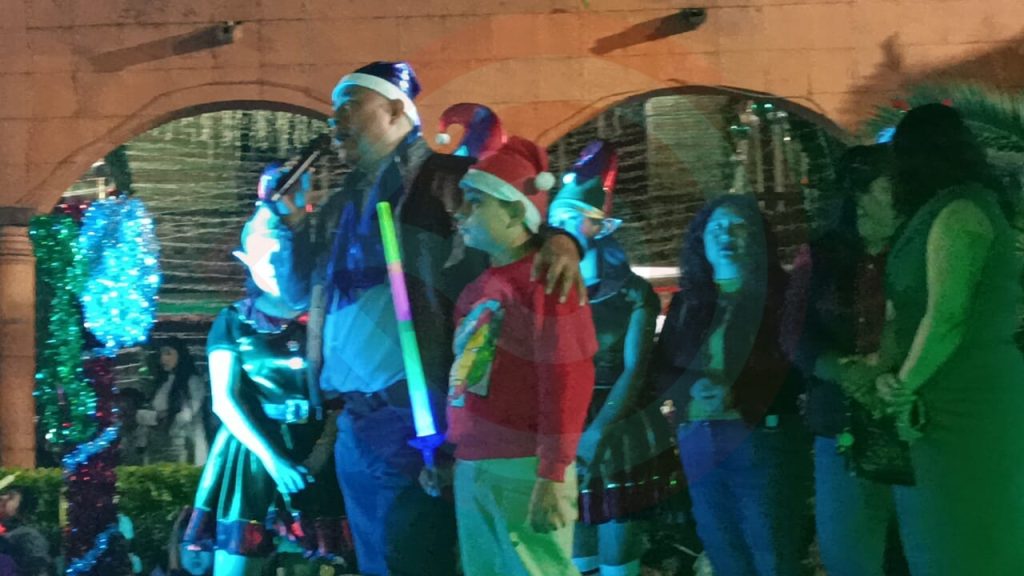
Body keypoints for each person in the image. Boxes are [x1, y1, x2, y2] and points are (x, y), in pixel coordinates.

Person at [274, 61, 584, 575]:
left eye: (349, 106)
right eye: (332, 110)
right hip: (353, 416)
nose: (334, 120)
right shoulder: (340, 202)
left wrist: (560, 239)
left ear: (397, 110)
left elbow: (512, 221)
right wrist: (287, 224)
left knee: (418, 554)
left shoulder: (445, 178)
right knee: (378, 559)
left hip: (415, 410)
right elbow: (292, 294)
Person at [427, 135, 596, 575]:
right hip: (476, 462)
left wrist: (553, 471)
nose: (459, 212)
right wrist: (453, 448)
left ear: (517, 211)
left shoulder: (548, 279)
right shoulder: (477, 288)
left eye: (475, 202)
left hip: (525, 465)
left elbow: (568, 378)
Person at [870, 103, 1024, 575]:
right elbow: (904, 315)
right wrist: (889, 377)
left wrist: (903, 388)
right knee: (939, 538)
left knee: (972, 539)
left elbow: (948, 318)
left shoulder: (961, 211)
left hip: (967, 399)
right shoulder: (933, 214)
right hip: (933, 395)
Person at [651, 194, 811, 576]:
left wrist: (737, 393)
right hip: (699, 439)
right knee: (721, 548)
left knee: (773, 549)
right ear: (701, 241)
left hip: (764, 437)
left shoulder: (782, 297)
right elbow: (661, 368)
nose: (726, 235)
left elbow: (797, 367)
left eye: (738, 226)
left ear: (757, 237)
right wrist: (691, 389)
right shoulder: (688, 303)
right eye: (716, 228)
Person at [182, 204, 345, 575]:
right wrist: (273, 460)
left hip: (315, 450)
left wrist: (319, 454)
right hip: (251, 455)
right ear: (245, 258)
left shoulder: (325, 315)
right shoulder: (234, 320)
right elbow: (224, 401)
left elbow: (341, 394)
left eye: (280, 250)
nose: (272, 262)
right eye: (261, 252)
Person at [783, 144, 911, 576]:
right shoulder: (820, 256)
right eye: (891, 186)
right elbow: (794, 334)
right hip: (842, 423)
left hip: (912, 416)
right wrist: (844, 371)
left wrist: (881, 371)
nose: (904, 194)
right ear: (860, 194)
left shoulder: (921, 248)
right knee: (851, 556)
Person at [548, 140, 670, 576]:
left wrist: (598, 431)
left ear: (598, 226)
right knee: (574, 537)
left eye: (571, 219)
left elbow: (635, 368)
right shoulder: (546, 292)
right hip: (562, 422)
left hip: (615, 425)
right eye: (556, 221)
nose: (561, 230)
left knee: (617, 537)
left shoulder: (633, 294)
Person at [141, 337, 210, 465]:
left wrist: (166, 419)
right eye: (161, 354)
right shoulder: (162, 383)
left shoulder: (193, 381)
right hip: (160, 446)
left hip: (185, 444)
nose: (163, 359)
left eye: (168, 353)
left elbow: (187, 414)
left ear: (180, 355)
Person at [0, 486, 52, 576]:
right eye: (5, 494)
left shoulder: (29, 537)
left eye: (11, 497)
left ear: (22, 510)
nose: (2, 497)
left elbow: (38, 571)